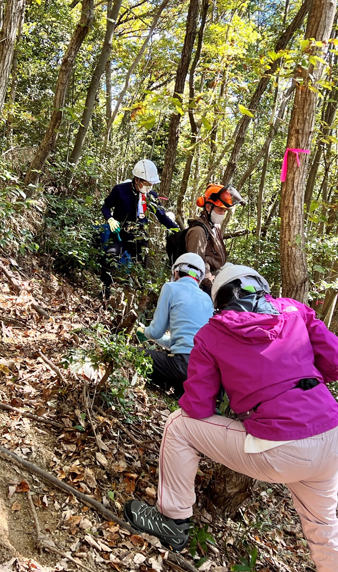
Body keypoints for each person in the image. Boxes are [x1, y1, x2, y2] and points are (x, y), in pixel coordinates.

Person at [123, 263, 338, 572]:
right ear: (261, 288)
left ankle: (173, 520)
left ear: (219, 300)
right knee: (323, 523)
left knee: (178, 425)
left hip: (279, 444)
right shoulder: (294, 311)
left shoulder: (212, 333)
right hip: (330, 433)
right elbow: (337, 364)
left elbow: (198, 407)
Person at [100, 159, 179, 298]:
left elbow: (162, 216)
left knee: (142, 268)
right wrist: (110, 219)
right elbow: (105, 206)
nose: (148, 188)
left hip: (140, 238)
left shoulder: (151, 196)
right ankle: (105, 292)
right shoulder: (120, 190)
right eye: (146, 184)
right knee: (109, 257)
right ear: (137, 180)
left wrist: (178, 230)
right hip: (120, 235)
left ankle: (140, 297)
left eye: (151, 185)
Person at [139, 253, 214, 399]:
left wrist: (144, 331)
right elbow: (184, 344)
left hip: (180, 365)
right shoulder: (207, 298)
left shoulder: (171, 288)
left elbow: (155, 332)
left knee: (132, 354)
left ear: (176, 272)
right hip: (203, 371)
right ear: (199, 278)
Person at [184, 184, 245, 291]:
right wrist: (215, 285)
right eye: (220, 210)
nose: (222, 214)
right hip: (204, 283)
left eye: (224, 211)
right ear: (208, 207)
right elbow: (196, 266)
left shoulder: (214, 226)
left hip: (215, 273)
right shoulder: (198, 231)